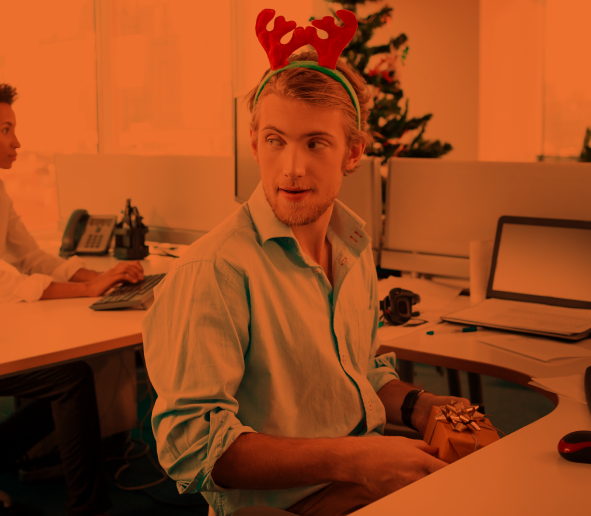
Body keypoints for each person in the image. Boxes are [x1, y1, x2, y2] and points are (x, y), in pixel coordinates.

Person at [141, 10, 472, 516]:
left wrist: (418, 404)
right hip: (287, 505)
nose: (291, 168)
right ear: (255, 143)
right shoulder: (215, 270)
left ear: (353, 153)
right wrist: (358, 460)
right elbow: (195, 450)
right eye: (276, 141)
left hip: (358, 476)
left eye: (315, 143)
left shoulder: (353, 248)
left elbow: (357, 374)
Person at [0, 69, 143, 516]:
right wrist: (87, 289)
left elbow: (32, 258)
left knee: (77, 372)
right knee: (70, 379)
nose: (17, 142)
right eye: (6, 130)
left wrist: (100, 274)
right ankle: (89, 509)